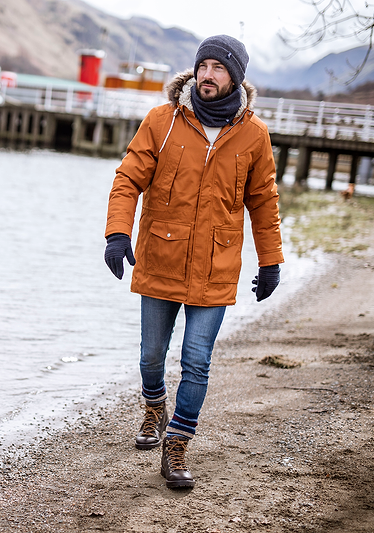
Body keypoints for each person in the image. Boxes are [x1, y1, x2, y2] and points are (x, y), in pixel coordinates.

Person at [103, 35, 284, 489]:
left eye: (218, 68)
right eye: (202, 66)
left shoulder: (254, 134)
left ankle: (178, 443)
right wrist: (117, 233)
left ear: (235, 76)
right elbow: (128, 179)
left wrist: (270, 262)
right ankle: (152, 406)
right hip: (160, 257)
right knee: (150, 357)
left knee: (197, 361)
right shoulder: (162, 120)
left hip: (215, 266)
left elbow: (263, 202)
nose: (207, 74)